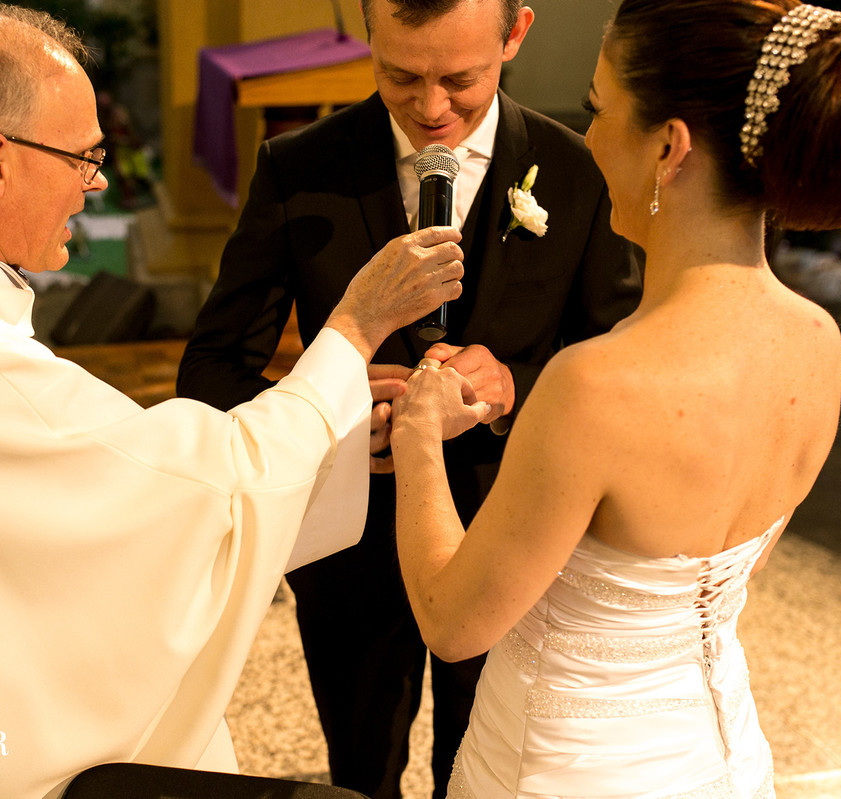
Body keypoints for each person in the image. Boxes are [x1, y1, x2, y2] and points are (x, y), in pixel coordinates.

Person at [0, 3, 470, 796]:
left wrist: (336, 410)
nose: (96, 181)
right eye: (83, 156)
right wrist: (353, 327)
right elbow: (213, 496)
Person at [390, 1, 841, 796]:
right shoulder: (819, 342)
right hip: (715, 750)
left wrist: (420, 430)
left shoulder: (597, 384)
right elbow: (727, 571)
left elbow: (452, 623)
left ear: (669, 148)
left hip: (569, 765)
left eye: (600, 109)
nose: (587, 136)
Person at [175, 1, 641, 795]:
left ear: (515, 34)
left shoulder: (578, 169)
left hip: (513, 533)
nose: (431, 110)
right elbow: (212, 371)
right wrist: (326, 411)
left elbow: (623, 365)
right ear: (368, 32)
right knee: (360, 772)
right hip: (353, 543)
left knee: (487, 768)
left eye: (461, 79)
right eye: (400, 75)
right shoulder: (299, 168)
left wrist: (516, 386)